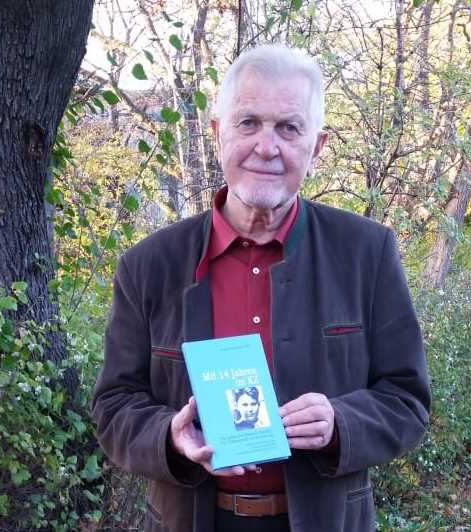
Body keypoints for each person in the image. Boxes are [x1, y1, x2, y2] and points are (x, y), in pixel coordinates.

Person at [92, 43, 430, 532]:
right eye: (248, 122)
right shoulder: (149, 265)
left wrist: (341, 422)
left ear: (317, 147)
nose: (266, 147)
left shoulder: (366, 252)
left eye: (289, 128)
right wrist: (169, 436)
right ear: (217, 133)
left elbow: (407, 400)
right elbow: (113, 407)